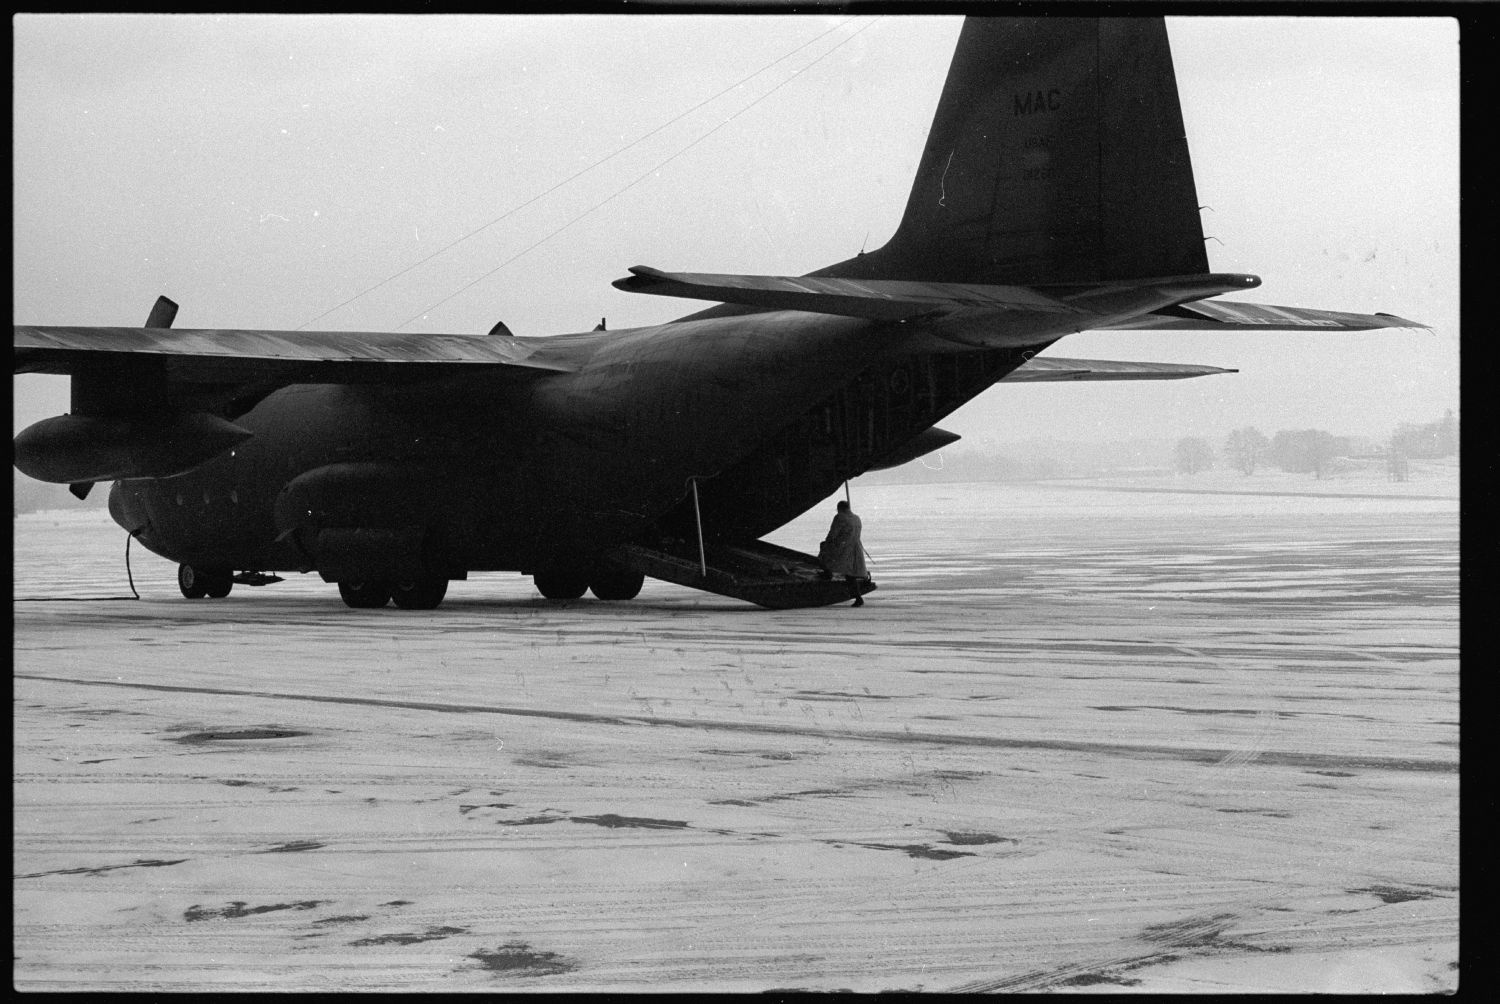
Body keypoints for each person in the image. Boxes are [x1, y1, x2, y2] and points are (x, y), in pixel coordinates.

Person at [818, 499, 869, 607]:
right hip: (855, 547)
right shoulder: (856, 518)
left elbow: (833, 533)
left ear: (840, 508)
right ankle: (857, 597)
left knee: (824, 552)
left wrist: (827, 543)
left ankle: (827, 575)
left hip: (842, 548)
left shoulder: (840, 517)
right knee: (850, 574)